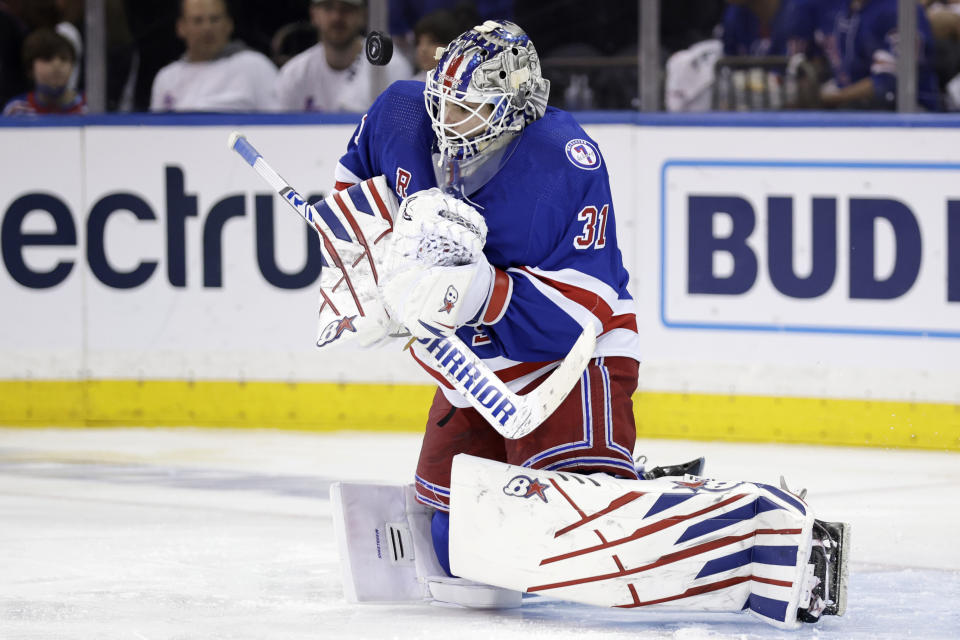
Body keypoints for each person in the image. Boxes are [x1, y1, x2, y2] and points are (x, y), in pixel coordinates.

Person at [322, 20, 847, 627]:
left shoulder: (563, 160)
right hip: (474, 375)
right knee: (458, 559)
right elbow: (349, 196)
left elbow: (581, 313)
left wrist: (478, 291)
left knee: (573, 537)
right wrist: (374, 279)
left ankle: (745, 525)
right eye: (444, 99)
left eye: (471, 108)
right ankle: (615, 474)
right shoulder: (402, 115)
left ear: (514, 110)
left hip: (570, 365)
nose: (449, 121)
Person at [275, 0, 412, 112]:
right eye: (328, 8)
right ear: (314, 14)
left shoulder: (390, 66)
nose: (337, 17)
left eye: (347, 9)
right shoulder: (294, 73)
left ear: (363, 15)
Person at [149, 0, 279, 112]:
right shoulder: (166, 77)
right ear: (181, 27)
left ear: (229, 24)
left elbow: (279, 122)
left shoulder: (254, 65)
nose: (207, 28)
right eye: (198, 20)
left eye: (215, 19)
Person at [816, 0, 941, 110]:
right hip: (857, 107)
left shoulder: (897, 9)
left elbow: (886, 82)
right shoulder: (847, 7)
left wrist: (834, 98)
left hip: (911, 114)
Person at [3, 27, 84, 115]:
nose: (56, 65)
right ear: (30, 68)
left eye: (63, 59)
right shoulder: (16, 109)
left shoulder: (88, 107)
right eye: (47, 59)